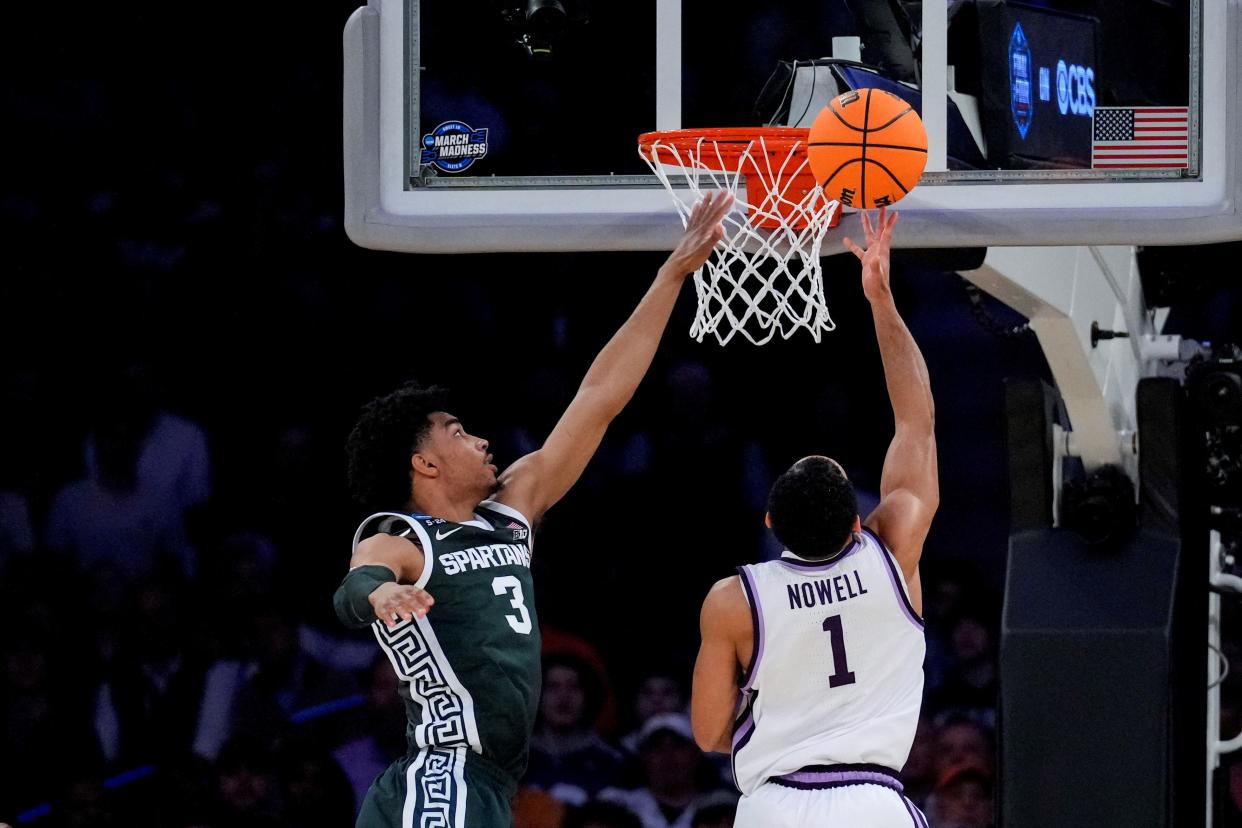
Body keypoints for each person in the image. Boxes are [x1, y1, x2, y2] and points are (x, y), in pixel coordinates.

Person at [333, 191, 734, 828]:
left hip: (491, 780)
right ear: (425, 465)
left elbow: (600, 397)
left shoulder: (511, 508)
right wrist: (379, 599)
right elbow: (360, 580)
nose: (482, 439)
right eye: (458, 431)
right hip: (444, 772)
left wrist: (671, 275)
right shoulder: (405, 537)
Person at [689, 208, 938, 827]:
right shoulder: (893, 544)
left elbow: (708, 732)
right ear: (858, 522)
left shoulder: (734, 600)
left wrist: (790, 729)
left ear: (768, 524)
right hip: (873, 802)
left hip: (775, 803)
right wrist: (879, 298)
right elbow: (916, 419)